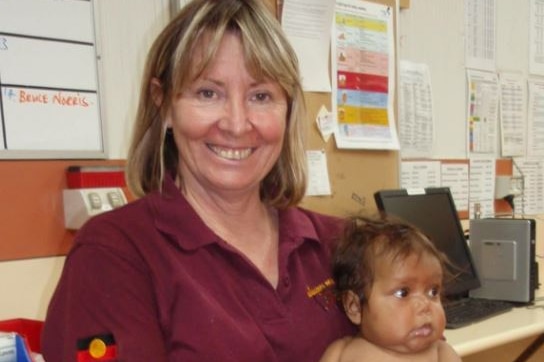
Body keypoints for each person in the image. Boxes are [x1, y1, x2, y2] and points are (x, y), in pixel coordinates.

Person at [41, 0, 355, 361]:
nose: (237, 124)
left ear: (288, 110)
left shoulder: (340, 244)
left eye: (261, 96)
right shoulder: (114, 255)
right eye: (208, 93)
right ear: (164, 106)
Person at [320, 215, 461, 362]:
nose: (425, 305)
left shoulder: (441, 353)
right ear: (354, 307)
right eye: (403, 293)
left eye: (433, 291)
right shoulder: (341, 353)